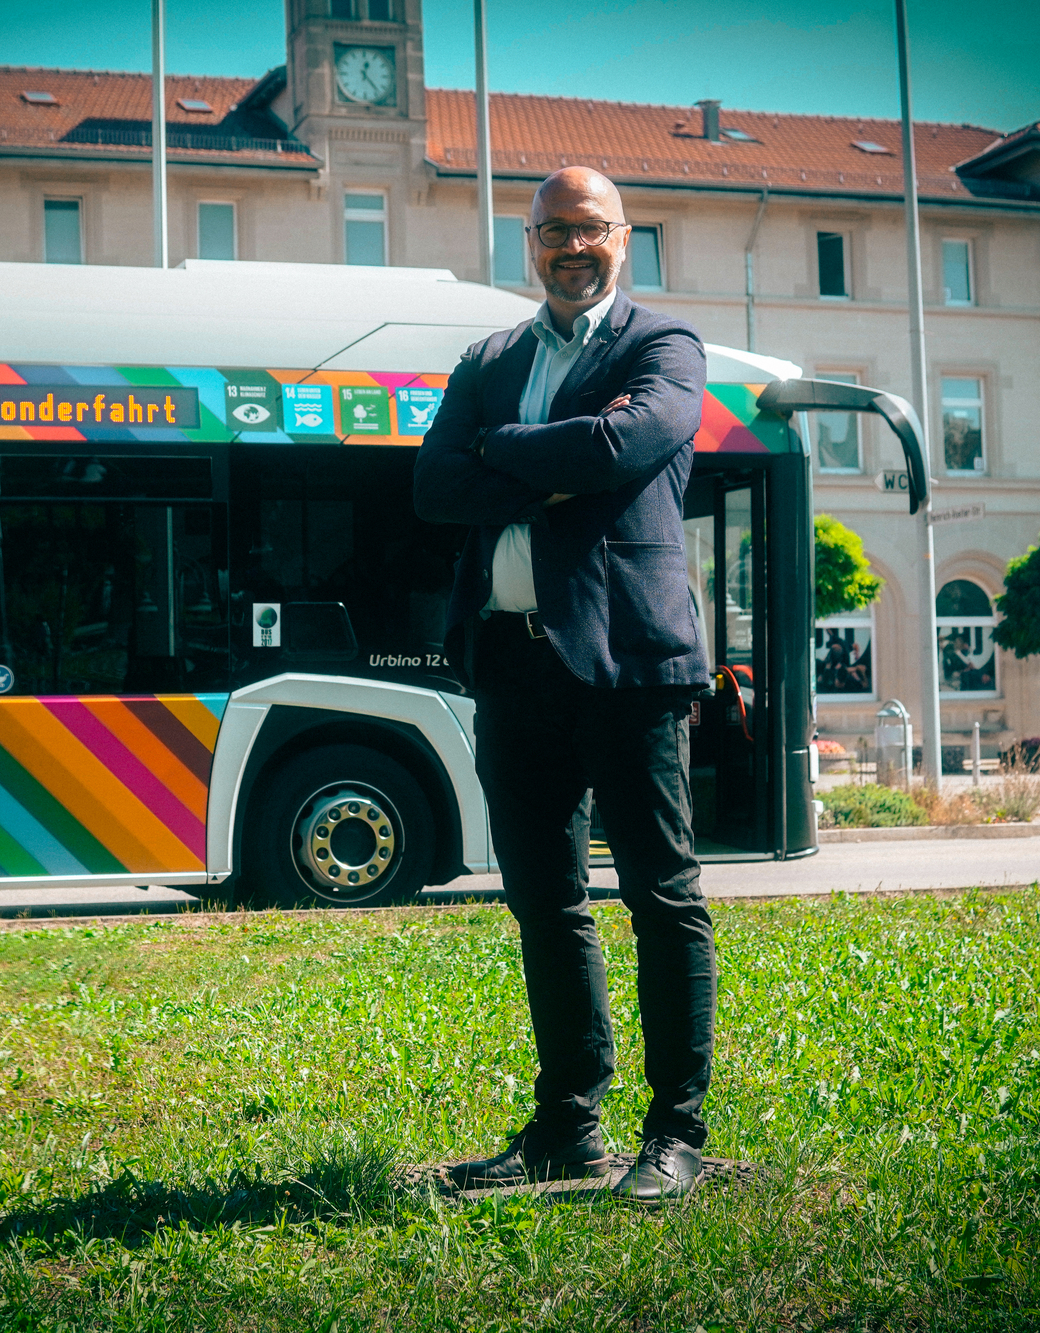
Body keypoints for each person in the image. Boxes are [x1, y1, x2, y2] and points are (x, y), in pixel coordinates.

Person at [412, 167, 716, 1204]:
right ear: (527, 243)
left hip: (627, 663)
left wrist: (501, 450)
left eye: (587, 229)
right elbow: (431, 481)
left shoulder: (660, 347)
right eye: (550, 232)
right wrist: (551, 460)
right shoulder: (491, 355)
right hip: (510, 660)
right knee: (546, 905)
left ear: (622, 237)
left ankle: (674, 1133)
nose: (568, 247)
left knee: (660, 897)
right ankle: (564, 1130)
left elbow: (626, 441)